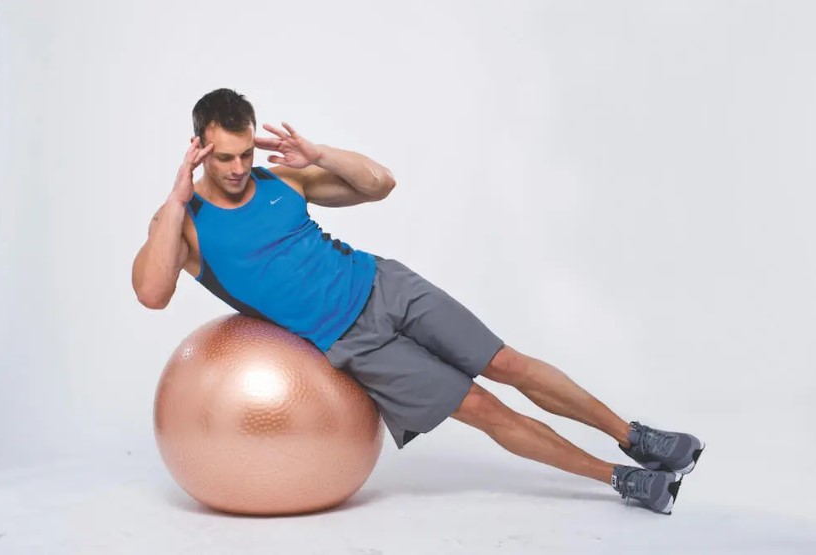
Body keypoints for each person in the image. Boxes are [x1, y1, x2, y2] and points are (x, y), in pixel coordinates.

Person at [131, 88, 704, 515]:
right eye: (225, 157)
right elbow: (152, 294)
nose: (238, 168)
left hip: (386, 285)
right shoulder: (183, 225)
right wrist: (176, 198)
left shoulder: (285, 180)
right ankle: (620, 479)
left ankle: (634, 437)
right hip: (355, 345)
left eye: (245, 152)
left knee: (507, 362)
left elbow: (379, 184)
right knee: (484, 409)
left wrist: (319, 152)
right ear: (200, 148)